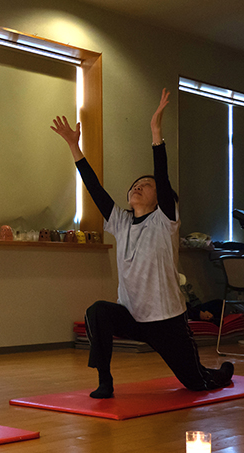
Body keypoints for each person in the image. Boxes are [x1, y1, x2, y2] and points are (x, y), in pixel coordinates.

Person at [51, 89, 234, 399]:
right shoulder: (120, 222)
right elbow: (94, 188)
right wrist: (73, 145)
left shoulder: (165, 221)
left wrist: (156, 134)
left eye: (146, 186)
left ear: (160, 198)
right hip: (133, 316)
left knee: (196, 383)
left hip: (166, 320)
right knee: (98, 311)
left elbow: (162, 177)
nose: (138, 186)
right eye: (135, 185)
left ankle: (222, 373)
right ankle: (105, 381)